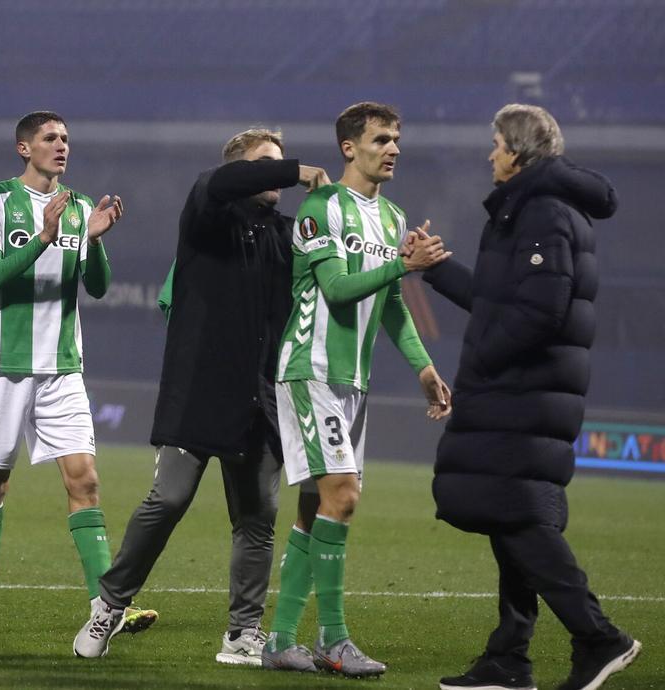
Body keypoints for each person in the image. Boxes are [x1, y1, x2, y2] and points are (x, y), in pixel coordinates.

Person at [72, 128, 330, 662]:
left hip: (260, 397)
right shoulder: (207, 217)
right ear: (240, 169)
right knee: (168, 499)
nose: (277, 173)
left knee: (258, 518)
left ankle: (242, 633)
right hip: (200, 391)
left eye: (279, 163)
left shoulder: (286, 235)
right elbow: (217, 183)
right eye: (265, 163)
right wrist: (295, 170)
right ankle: (110, 604)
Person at [428, 105, 640, 690]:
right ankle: (508, 658)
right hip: (528, 391)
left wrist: (483, 362)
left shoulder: (543, 211)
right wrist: (437, 269)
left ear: (518, 153)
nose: (490, 154)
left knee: (518, 518)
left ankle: (599, 637)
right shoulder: (535, 207)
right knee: (511, 513)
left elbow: (541, 312)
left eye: (497, 144)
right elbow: (499, 300)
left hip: (523, 391)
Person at [260, 102, 452, 677]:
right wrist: (403, 266)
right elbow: (338, 289)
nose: (393, 149)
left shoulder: (393, 217)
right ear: (349, 147)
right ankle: (334, 640)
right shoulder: (320, 208)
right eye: (381, 139)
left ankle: (280, 641)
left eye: (396, 140)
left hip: (354, 381)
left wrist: (423, 368)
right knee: (343, 497)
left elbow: (391, 304)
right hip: (311, 368)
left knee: (316, 506)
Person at [0, 111, 156, 638]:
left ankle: (107, 607)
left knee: (85, 480)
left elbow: (98, 287)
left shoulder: (81, 207)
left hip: (63, 370)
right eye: (50, 138)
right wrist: (43, 237)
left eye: (66, 138)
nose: (62, 145)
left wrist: (93, 240)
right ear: (24, 148)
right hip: (3, 368)